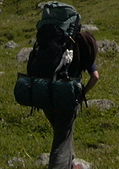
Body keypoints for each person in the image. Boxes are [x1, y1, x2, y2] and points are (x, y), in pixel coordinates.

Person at [43, 30, 99, 169]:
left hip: (45, 94)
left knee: (62, 133)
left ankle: (71, 164)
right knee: (61, 141)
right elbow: (95, 77)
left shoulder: (56, 48)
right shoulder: (83, 50)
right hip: (66, 98)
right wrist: (82, 94)